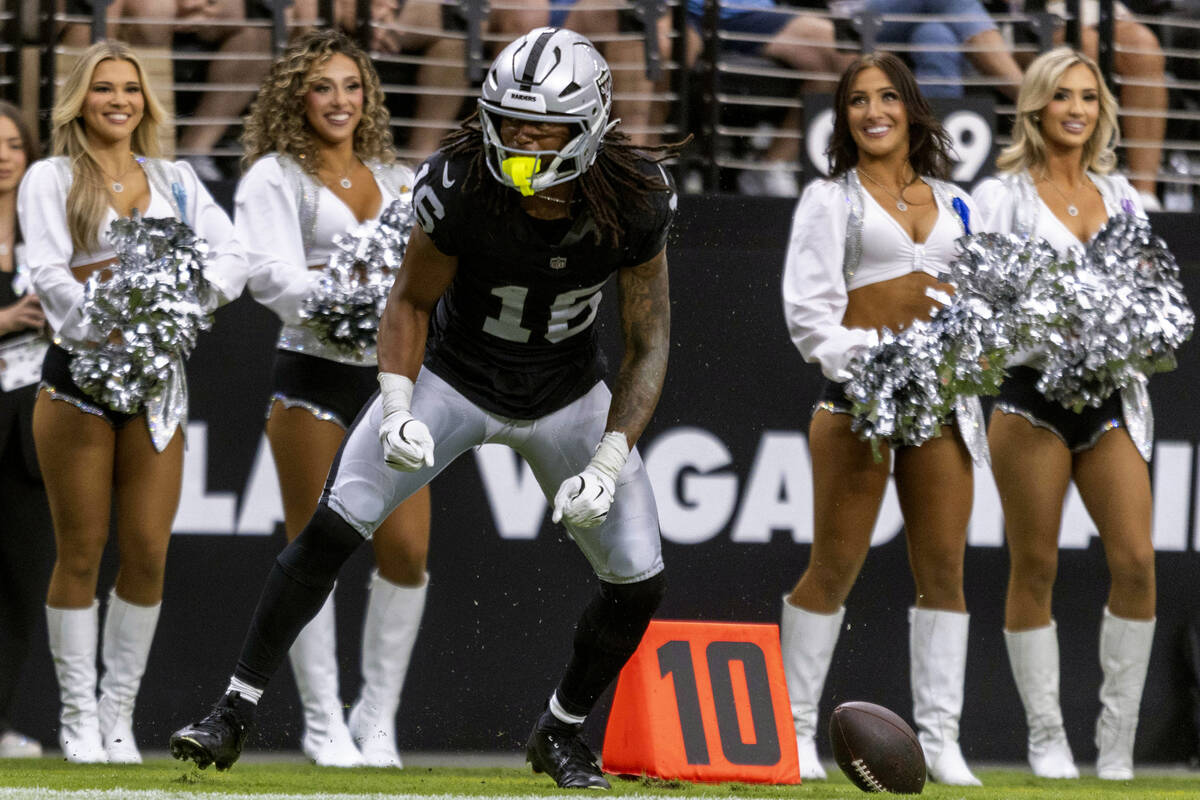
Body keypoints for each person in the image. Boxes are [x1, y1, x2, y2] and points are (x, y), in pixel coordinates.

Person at [169, 26, 678, 789]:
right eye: (510, 122)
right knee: (332, 525)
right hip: (455, 376)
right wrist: (400, 400)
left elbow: (648, 344)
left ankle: (560, 731)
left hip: (567, 391)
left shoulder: (635, 197)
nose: (522, 141)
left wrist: (608, 459)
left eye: (544, 127)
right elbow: (409, 301)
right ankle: (234, 710)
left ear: (591, 125)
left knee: (640, 578)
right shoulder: (462, 180)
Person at [17, 40, 246, 763]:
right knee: (80, 550)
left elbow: (233, 256)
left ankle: (118, 716)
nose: (118, 100)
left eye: (130, 90)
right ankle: (78, 717)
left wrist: (180, 300)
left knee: (147, 552)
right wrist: (107, 313)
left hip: (159, 387)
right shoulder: (50, 177)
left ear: (146, 101)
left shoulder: (174, 178)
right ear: (78, 102)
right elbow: (49, 272)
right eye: (103, 89)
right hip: (79, 381)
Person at [779, 51, 985, 786]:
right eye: (859, 100)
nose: (874, 111)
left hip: (941, 405)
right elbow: (808, 316)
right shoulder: (828, 200)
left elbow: (986, 305)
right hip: (858, 401)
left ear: (911, 108)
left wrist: (970, 356)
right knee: (833, 567)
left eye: (887, 97)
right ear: (845, 117)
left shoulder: (962, 204)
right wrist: (872, 363)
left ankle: (943, 740)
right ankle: (796, 732)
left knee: (944, 570)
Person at [235, 28, 431, 769]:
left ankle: (376, 719)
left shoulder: (399, 176)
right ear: (296, 96)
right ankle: (323, 722)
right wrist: (351, 298)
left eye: (352, 87)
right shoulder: (272, 179)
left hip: (394, 382)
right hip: (312, 376)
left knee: (408, 553)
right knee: (314, 549)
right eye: (324, 87)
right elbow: (271, 278)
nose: (340, 101)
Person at [971, 47, 1155, 781]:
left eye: (1088, 97)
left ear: (1100, 111)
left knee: (1137, 562)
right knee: (1035, 563)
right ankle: (1047, 737)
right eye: (1062, 97)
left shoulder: (1126, 196)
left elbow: (1149, 295)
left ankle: (1117, 742)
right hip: (1030, 399)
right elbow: (978, 302)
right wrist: (1044, 327)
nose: (1076, 109)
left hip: (1112, 397)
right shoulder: (999, 196)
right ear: (1037, 107)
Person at [0, 102, 52, 760]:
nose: (5, 155)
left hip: (34, 428)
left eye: (15, 143)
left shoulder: (52, 227)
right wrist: (7, 318)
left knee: (18, 581)